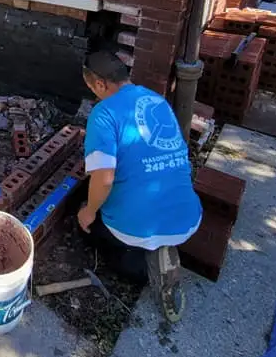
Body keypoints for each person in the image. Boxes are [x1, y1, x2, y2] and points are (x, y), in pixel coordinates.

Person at [78, 50, 201, 323]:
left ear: (100, 84)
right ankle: (164, 242)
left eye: (91, 88)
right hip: (188, 216)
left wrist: (89, 211)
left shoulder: (103, 113)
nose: (93, 94)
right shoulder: (155, 99)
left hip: (137, 226)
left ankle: (143, 263)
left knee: (86, 222)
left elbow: (105, 178)